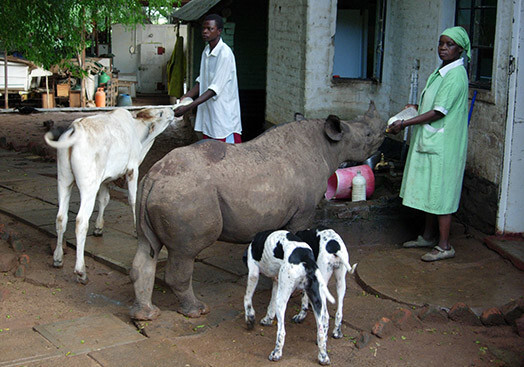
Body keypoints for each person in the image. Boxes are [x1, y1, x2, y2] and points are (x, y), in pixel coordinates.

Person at [388, 26, 470, 262]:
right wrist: (412, 110)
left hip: (445, 144)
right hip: (434, 140)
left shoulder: (455, 76)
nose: (443, 48)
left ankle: (444, 246)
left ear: (461, 49)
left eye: (450, 45)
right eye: (441, 43)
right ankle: (428, 236)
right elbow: (431, 106)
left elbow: (438, 112)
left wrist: (405, 124)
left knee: (442, 194)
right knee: (430, 190)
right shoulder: (442, 71)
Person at [174, 14, 242, 144]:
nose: (205, 32)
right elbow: (202, 81)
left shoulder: (225, 55)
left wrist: (189, 106)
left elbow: (213, 89)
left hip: (224, 117)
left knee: (227, 156)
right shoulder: (206, 51)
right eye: (204, 28)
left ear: (219, 31)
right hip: (210, 114)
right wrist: (186, 96)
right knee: (209, 153)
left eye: (210, 29)